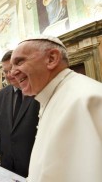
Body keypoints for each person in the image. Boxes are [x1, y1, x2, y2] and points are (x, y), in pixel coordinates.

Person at [10, 35, 102, 182]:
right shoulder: (50, 96)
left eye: (19, 62)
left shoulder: (87, 100)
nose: (12, 73)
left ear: (51, 59)